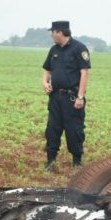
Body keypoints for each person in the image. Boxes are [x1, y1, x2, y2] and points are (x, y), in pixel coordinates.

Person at [42, 21, 91, 171]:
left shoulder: (79, 48)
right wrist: (45, 82)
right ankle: (51, 161)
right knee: (52, 129)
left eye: (53, 32)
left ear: (60, 32)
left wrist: (80, 97)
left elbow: (84, 73)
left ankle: (77, 161)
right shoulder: (54, 50)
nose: (51, 35)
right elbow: (47, 69)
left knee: (74, 130)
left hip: (72, 98)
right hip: (56, 97)